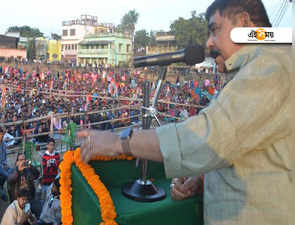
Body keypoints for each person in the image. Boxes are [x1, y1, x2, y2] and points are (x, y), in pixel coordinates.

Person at [78, 0, 294, 224]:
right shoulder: (268, 60)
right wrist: (204, 179)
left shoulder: (272, 65)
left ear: (244, 23)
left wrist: (119, 142)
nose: (209, 42)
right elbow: (251, 149)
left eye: (214, 30)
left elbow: (209, 137)